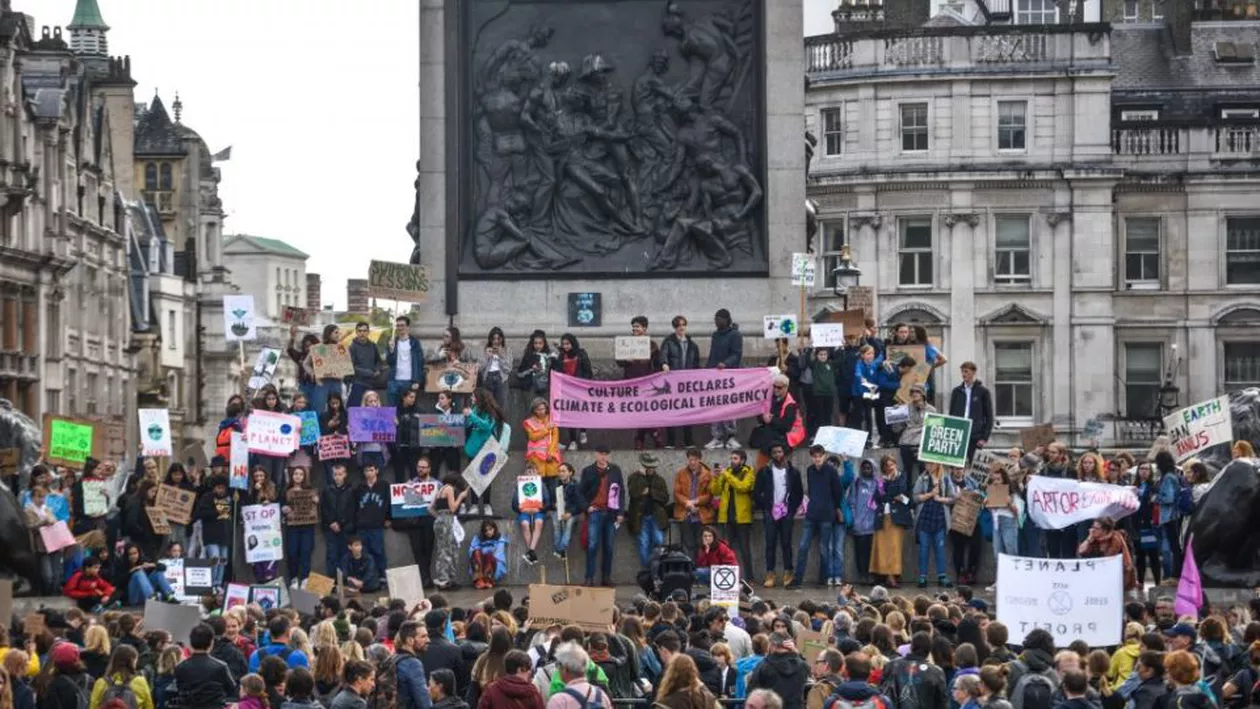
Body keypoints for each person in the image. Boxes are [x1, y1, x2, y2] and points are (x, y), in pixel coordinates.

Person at [790, 446, 847, 590]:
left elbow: (838, 492)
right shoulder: (810, 470)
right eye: (814, 456)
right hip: (812, 513)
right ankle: (797, 579)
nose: (817, 459)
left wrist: (833, 507)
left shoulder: (831, 471)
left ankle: (823, 578)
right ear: (811, 457)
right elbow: (811, 490)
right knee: (803, 546)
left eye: (819, 456)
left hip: (827, 515)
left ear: (824, 455)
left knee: (824, 549)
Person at [754, 443, 803, 588]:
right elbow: (756, 492)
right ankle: (770, 573)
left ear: (784, 453)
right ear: (771, 455)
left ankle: (788, 573)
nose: (777, 455)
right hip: (770, 513)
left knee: (786, 543)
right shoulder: (764, 471)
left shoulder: (793, 472)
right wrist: (766, 506)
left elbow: (798, 493)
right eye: (774, 452)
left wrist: (791, 509)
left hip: (786, 513)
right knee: (770, 544)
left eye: (780, 452)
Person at [580, 445, 626, 587]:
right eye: (600, 454)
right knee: (592, 545)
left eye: (605, 454)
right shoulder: (588, 471)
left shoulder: (615, 470)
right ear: (595, 455)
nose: (603, 457)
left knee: (609, 546)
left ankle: (606, 577)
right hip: (596, 512)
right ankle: (589, 577)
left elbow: (621, 491)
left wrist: (620, 512)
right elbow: (581, 491)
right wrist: (587, 507)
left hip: (611, 512)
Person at [617, 316, 663, 450]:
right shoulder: (626, 342)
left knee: (645, 411)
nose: (635, 329)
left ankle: (641, 438)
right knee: (638, 412)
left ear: (645, 328)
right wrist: (626, 360)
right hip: (631, 382)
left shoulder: (652, 345)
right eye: (633, 326)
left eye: (637, 326)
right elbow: (619, 362)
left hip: (647, 383)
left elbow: (658, 363)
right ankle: (653, 433)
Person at [711, 450, 756, 582]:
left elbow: (742, 487)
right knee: (726, 549)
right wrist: (716, 477)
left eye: (735, 458)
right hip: (727, 517)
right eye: (731, 458)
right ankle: (727, 577)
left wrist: (726, 475)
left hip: (742, 518)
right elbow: (715, 491)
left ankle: (750, 577)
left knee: (744, 549)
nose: (732, 461)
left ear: (742, 460)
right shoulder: (727, 472)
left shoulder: (749, 472)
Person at [465, 388, 509, 516]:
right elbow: (469, 425)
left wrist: (471, 416)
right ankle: (474, 505)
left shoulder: (490, 411)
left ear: (480, 397)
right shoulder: (473, 409)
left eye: (473, 397)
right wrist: (467, 419)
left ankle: (486, 505)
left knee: (486, 478)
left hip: (487, 448)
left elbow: (486, 426)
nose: (472, 399)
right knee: (473, 478)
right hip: (473, 448)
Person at [659, 315, 701, 449]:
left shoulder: (693, 345)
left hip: (687, 383)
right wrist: (664, 364)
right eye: (678, 325)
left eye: (683, 324)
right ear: (675, 328)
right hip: (672, 382)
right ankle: (671, 441)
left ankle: (689, 440)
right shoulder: (668, 342)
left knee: (688, 410)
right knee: (671, 410)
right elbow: (663, 355)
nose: (681, 327)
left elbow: (696, 363)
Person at [706, 309, 744, 450]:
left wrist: (726, 363)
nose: (716, 322)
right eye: (715, 319)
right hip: (716, 376)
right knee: (715, 406)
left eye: (719, 319)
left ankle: (731, 436)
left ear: (726, 320)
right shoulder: (715, 335)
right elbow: (712, 354)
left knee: (729, 406)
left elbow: (737, 354)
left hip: (730, 376)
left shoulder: (735, 335)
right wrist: (707, 369)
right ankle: (717, 436)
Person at [872, 454, 911, 588]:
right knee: (882, 547)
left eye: (892, 464)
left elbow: (900, 490)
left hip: (897, 516)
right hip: (883, 515)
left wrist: (890, 487)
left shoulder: (901, 476)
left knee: (894, 547)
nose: (890, 467)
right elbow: (877, 497)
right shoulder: (880, 480)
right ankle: (885, 575)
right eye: (887, 465)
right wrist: (889, 491)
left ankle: (893, 575)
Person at [749, 375, 806, 469]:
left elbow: (786, 426)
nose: (776, 389)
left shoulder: (790, 404)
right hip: (777, 430)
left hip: (790, 436)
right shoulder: (773, 399)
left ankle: (764, 469)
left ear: (786, 388)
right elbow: (762, 415)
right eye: (774, 387)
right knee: (759, 433)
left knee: (768, 440)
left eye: (779, 388)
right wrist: (764, 417)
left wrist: (772, 419)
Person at [883, 633, 948, 709]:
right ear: (929, 650)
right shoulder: (936, 672)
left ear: (911, 647)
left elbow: (883, 693)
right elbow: (942, 704)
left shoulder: (892, 665)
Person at [627, 453, 670, 567]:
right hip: (640, 517)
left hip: (656, 516)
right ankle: (647, 570)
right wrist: (641, 477)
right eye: (648, 467)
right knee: (643, 543)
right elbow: (634, 493)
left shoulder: (659, 480)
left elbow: (665, 497)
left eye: (652, 467)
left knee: (659, 541)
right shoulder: (634, 477)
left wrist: (651, 492)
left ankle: (656, 567)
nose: (650, 469)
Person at [746, 633, 810, 709]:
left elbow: (752, 692)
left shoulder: (763, 666)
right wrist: (796, 653)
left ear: (772, 645)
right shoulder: (803, 666)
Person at [1077, 518, 1138, 594]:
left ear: (1104, 530)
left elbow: (1108, 558)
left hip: (1120, 576)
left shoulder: (1116, 537)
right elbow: (1081, 550)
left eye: (1096, 528)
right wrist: (1089, 538)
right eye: (1092, 527)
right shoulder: (1094, 538)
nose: (1092, 530)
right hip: (1101, 576)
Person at [947, 363, 993, 463]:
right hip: (958, 434)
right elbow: (951, 413)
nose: (964, 374)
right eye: (962, 372)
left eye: (966, 371)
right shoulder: (957, 391)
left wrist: (984, 437)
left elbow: (989, 416)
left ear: (973, 372)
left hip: (975, 435)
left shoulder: (983, 391)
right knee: (956, 465)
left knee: (974, 465)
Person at [672, 449, 714, 558]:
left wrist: (696, 501)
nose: (692, 462)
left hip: (701, 514)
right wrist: (687, 503)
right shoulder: (680, 474)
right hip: (685, 513)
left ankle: (699, 570)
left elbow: (709, 495)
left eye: (695, 460)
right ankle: (689, 569)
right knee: (687, 544)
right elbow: (677, 493)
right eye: (690, 460)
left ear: (699, 460)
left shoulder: (707, 474)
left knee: (701, 544)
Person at [544, 643, 611, 709]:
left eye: (559, 665)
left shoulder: (558, 700)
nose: (558, 669)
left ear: (566, 668)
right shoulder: (602, 696)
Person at [554, 335, 592, 451]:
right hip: (566, 389)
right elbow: (557, 371)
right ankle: (573, 440)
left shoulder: (581, 354)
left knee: (582, 412)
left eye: (567, 344)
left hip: (580, 388)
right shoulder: (561, 356)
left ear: (573, 344)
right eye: (563, 344)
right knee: (569, 415)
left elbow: (588, 371)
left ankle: (583, 431)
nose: (565, 346)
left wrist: (582, 383)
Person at [432, 475, 470, 590]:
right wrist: (461, 496)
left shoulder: (439, 490)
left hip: (440, 520)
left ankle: (446, 578)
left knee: (444, 549)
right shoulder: (449, 489)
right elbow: (453, 508)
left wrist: (439, 517)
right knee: (447, 551)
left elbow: (430, 508)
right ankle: (445, 580)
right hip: (447, 519)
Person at [283, 466, 319, 585]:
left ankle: (304, 578)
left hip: (307, 526)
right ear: (292, 476)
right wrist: (284, 508)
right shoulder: (286, 491)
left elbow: (318, 507)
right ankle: (293, 577)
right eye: (295, 474)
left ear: (304, 477)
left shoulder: (310, 490)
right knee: (292, 552)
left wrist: (316, 501)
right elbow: (281, 506)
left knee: (306, 551)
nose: (298, 476)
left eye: (301, 474)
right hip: (292, 526)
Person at [88, 645, 153, 709]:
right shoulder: (140, 681)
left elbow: (93, 706)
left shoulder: (101, 682)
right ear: (132, 661)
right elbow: (149, 706)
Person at [355, 461, 390, 581]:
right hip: (362, 525)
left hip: (377, 524)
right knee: (364, 553)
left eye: (371, 470)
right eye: (366, 471)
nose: (369, 473)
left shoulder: (384, 485)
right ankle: (368, 578)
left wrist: (388, 518)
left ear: (376, 471)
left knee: (378, 551)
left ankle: (382, 577)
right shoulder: (360, 487)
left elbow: (388, 502)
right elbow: (355, 506)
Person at [321, 463, 356, 578]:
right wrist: (331, 522)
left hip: (346, 527)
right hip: (330, 528)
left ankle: (345, 581)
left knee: (345, 555)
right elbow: (324, 508)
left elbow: (352, 509)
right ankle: (332, 581)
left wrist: (341, 523)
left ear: (345, 474)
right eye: (335, 474)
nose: (338, 477)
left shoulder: (351, 490)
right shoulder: (327, 490)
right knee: (332, 556)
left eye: (340, 474)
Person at [848, 459, 880, 585]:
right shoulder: (856, 483)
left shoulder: (878, 484)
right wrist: (855, 519)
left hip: (873, 524)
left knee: (871, 552)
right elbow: (851, 501)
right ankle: (862, 575)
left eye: (869, 468)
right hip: (859, 524)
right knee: (860, 552)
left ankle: (871, 575)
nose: (866, 470)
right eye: (864, 468)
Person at [523, 399, 563, 499]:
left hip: (551, 455)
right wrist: (546, 429)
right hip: (536, 455)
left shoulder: (552, 420)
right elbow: (533, 437)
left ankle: (553, 504)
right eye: (538, 409)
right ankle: (541, 504)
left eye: (543, 409)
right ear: (534, 410)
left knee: (553, 479)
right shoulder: (528, 422)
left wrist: (550, 453)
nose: (541, 411)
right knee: (539, 480)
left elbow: (555, 438)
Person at [477, 650, 543, 709]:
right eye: (529, 668)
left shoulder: (492, 690)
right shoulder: (533, 694)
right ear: (521, 669)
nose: (530, 672)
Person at [480, 328, 514, 410]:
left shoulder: (507, 350)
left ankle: (500, 422)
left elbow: (508, 369)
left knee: (501, 407)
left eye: (498, 339)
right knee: (488, 406)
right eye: (493, 339)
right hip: (488, 378)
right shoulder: (485, 349)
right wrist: (486, 358)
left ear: (502, 339)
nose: (496, 341)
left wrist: (501, 357)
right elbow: (479, 368)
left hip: (501, 379)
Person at [469, 520, 508, 590]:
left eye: (490, 529)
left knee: (489, 555)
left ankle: (488, 579)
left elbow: (499, 554)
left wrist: (487, 551)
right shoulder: (478, 538)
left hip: (493, 562)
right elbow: (472, 550)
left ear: (494, 529)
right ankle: (479, 580)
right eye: (486, 530)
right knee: (476, 552)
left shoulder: (499, 538)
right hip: (480, 563)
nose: (488, 532)